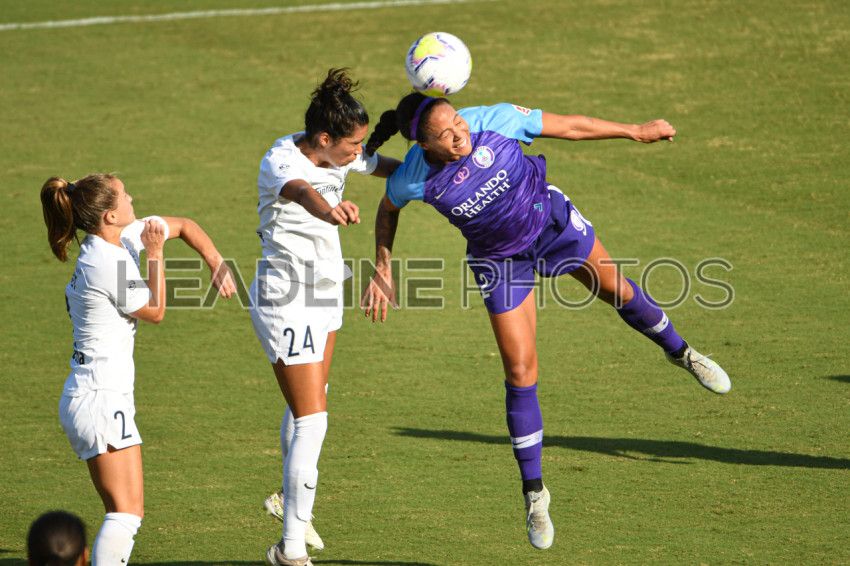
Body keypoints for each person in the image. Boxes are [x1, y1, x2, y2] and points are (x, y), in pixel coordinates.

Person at [360, 93, 731, 550]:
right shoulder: (413, 177)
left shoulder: (493, 120)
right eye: (446, 135)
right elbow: (387, 208)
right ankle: (535, 494)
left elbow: (570, 125)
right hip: (500, 262)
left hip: (551, 225)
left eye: (457, 121)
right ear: (424, 145)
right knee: (520, 371)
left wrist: (634, 130)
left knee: (619, 292)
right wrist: (383, 267)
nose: (459, 134)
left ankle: (683, 353)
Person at [40, 174, 236, 566]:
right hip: (100, 398)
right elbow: (155, 311)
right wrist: (155, 254)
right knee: (126, 514)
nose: (132, 197)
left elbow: (184, 226)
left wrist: (215, 261)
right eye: (124, 194)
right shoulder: (105, 263)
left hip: (93, 395)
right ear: (110, 215)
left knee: (123, 511)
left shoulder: (113, 238)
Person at [248, 68, 400, 566]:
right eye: (353, 145)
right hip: (286, 298)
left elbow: (385, 167)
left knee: (309, 408)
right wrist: (328, 211)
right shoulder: (281, 160)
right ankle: (290, 550)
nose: (359, 153)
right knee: (313, 420)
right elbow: (300, 191)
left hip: (326, 291)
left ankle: (289, 501)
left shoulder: (343, 154)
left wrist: (436, 171)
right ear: (325, 139)